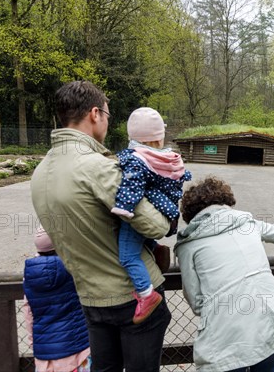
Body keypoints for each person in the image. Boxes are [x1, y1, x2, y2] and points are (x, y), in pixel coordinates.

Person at [30, 80, 172, 372]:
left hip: (90, 299)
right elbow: (157, 226)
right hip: (134, 297)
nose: (107, 122)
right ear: (95, 113)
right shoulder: (97, 166)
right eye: (107, 115)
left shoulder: (41, 172)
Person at [174, 176, 274, 372]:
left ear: (191, 212)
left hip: (226, 335)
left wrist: (215, 308)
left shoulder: (188, 245)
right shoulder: (247, 223)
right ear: (225, 201)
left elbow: (195, 299)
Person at [111, 107, 192, 324]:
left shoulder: (137, 159)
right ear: (159, 137)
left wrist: (124, 207)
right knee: (143, 240)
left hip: (138, 214)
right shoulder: (168, 158)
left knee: (127, 256)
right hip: (164, 211)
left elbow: (132, 185)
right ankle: (155, 249)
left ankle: (146, 294)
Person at [23, 227, 92, 372]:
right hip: (78, 347)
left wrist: (32, 342)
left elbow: (28, 313)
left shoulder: (29, 276)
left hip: (46, 355)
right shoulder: (73, 268)